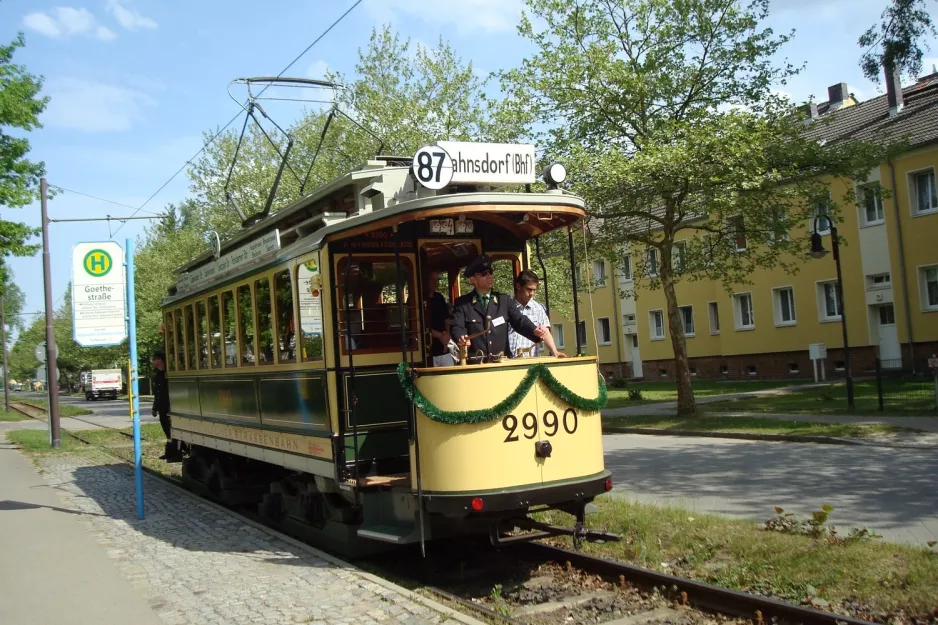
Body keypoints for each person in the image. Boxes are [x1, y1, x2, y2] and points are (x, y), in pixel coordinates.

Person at [449, 254, 552, 361]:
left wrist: (535, 330)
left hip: (502, 363)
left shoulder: (504, 300)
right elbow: (457, 326)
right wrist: (461, 337)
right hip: (476, 365)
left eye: (491, 272)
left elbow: (519, 320)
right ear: (473, 279)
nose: (489, 276)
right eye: (484, 274)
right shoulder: (463, 303)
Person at [509, 269, 565, 358]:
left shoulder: (538, 308)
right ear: (518, 286)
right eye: (529, 289)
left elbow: (545, 332)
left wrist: (554, 352)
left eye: (534, 290)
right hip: (507, 361)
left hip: (531, 361)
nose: (532, 293)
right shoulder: (506, 306)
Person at [151, 351, 181, 462]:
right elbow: (157, 393)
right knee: (166, 430)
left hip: (169, 407)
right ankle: (169, 453)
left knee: (171, 431)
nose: (153, 362)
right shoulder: (157, 375)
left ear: (159, 360)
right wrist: (155, 407)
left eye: (154, 359)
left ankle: (174, 453)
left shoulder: (167, 374)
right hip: (162, 407)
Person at [425, 270, 455, 367]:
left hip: (443, 348)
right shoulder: (418, 298)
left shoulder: (439, 297)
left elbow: (446, 319)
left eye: (437, 280)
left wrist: (447, 337)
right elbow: (421, 324)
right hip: (428, 351)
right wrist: (438, 335)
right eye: (432, 279)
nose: (435, 283)